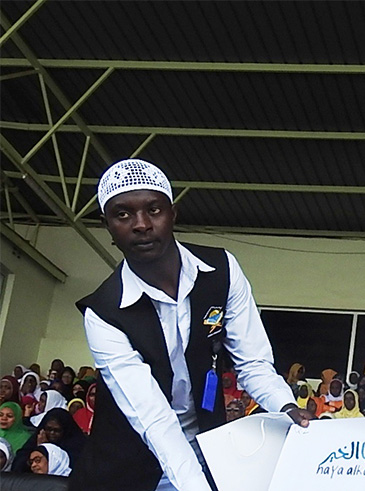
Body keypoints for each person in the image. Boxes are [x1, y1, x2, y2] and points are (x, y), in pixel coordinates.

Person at [73, 159, 312, 491]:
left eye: (153, 210)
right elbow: (153, 419)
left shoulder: (222, 270)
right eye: (123, 214)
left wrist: (285, 405)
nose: (141, 224)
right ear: (107, 225)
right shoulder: (103, 311)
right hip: (127, 466)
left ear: (173, 214)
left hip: (208, 449)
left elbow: (253, 361)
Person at [12, 407, 86, 472]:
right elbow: (18, 466)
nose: (52, 433)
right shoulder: (36, 439)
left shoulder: (77, 446)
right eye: (49, 429)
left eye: (57, 430)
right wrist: (39, 449)